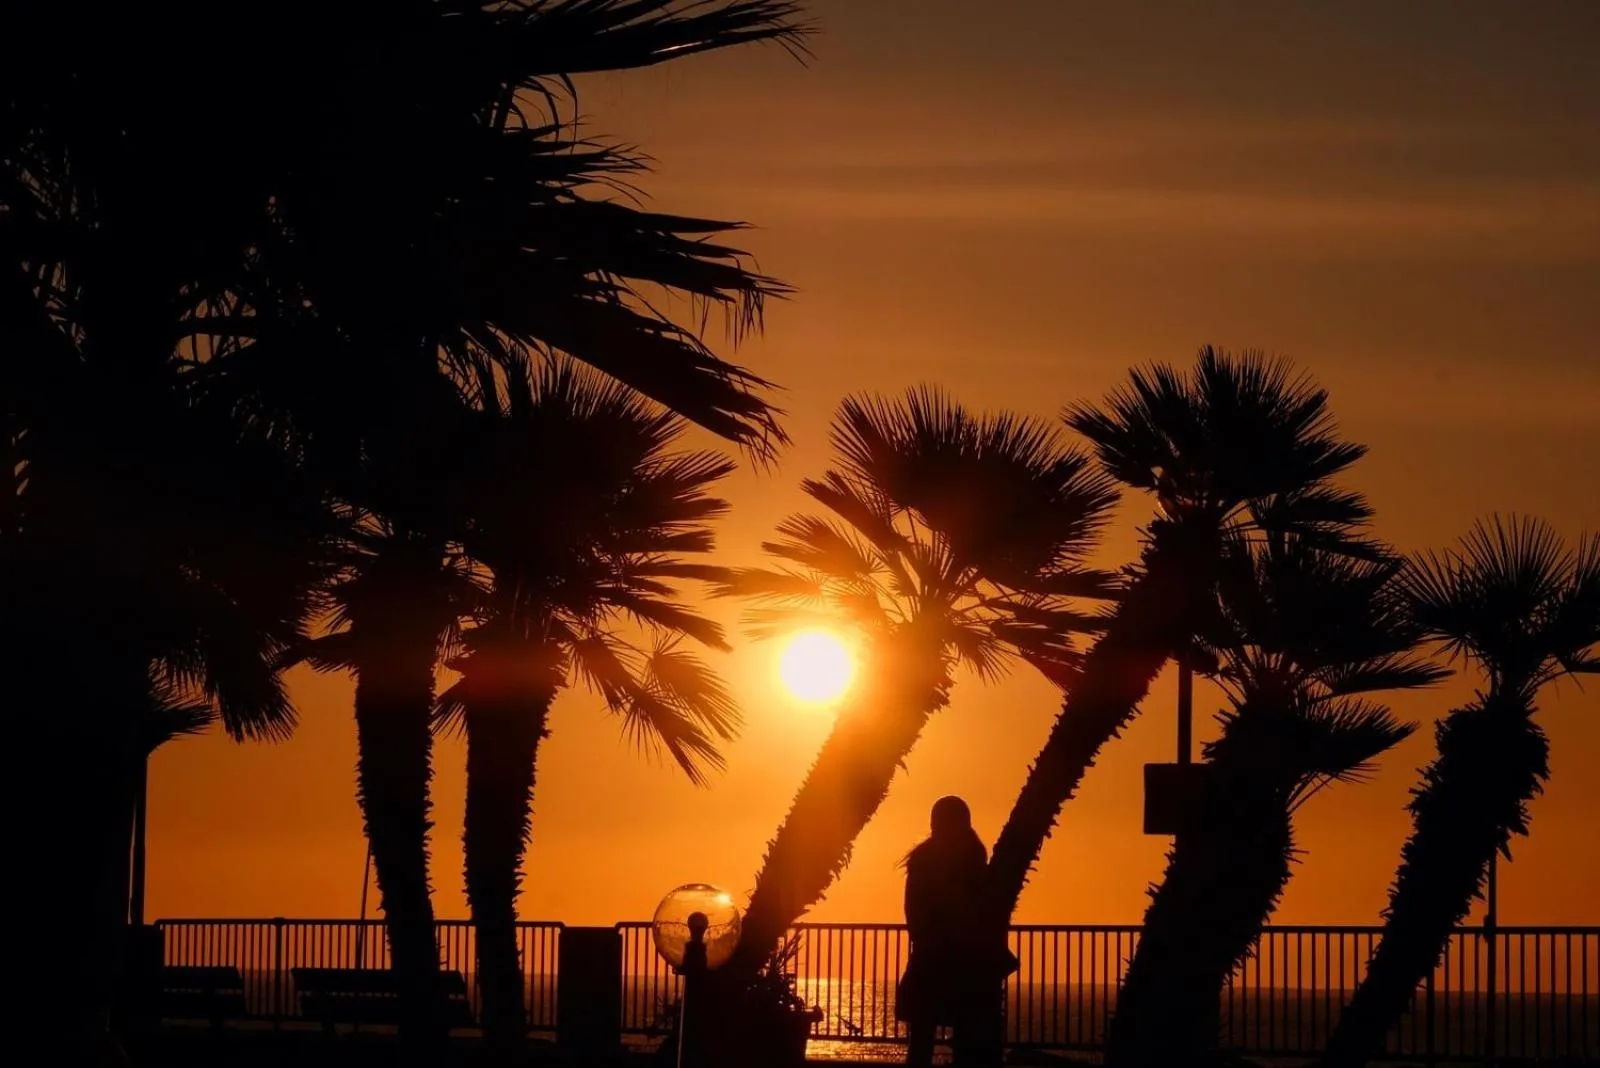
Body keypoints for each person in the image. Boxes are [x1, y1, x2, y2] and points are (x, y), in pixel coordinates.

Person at [896, 796, 1004, 1067]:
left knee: (921, 1038)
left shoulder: (922, 861)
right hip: (963, 960)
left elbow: (913, 910)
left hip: (930, 958)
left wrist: (922, 937)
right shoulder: (973, 857)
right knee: (964, 1035)